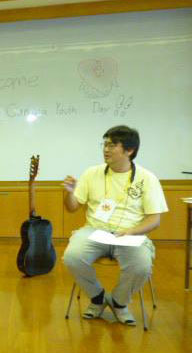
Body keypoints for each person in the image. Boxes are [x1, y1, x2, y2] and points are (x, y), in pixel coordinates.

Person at [62, 125, 168, 326]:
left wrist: (131, 231)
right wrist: (69, 192)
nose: (106, 149)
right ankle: (98, 298)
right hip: (94, 230)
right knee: (72, 257)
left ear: (129, 151)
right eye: (105, 144)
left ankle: (119, 302)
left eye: (112, 145)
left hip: (131, 234)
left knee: (141, 266)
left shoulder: (147, 178)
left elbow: (154, 220)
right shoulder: (92, 173)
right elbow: (72, 208)